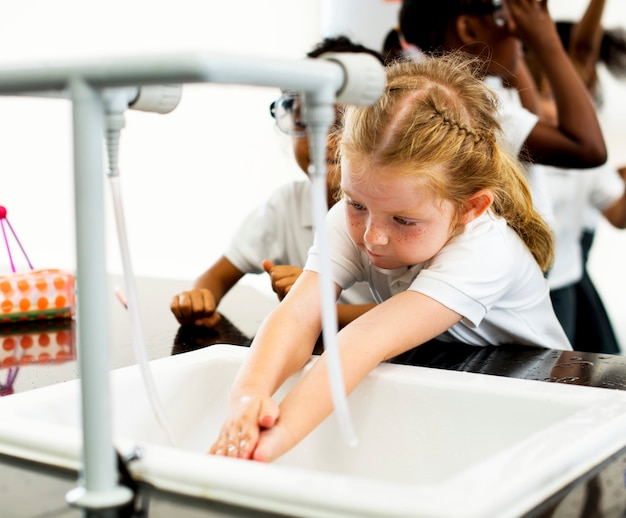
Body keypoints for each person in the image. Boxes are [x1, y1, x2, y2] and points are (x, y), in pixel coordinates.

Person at [209, 55, 572, 463]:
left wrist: (268, 444)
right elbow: (299, 316)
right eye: (355, 204)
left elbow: (364, 342)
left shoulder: (486, 250)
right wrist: (248, 395)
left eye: (403, 220)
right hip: (455, 381)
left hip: (546, 406)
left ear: (470, 208)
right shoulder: (361, 216)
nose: (372, 236)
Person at [170, 37, 381, 330]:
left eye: (343, 123)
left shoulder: (396, 214)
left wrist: (311, 303)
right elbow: (215, 277)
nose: (323, 138)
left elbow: (411, 315)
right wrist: (199, 298)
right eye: (306, 119)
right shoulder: (286, 206)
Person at [522, 0, 626, 352]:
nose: (557, 108)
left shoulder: (588, 161)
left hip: (562, 287)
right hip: (516, 293)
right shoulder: (516, 143)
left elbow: (618, 214)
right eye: (546, 95)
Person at [394, 0, 607, 170]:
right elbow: (588, 148)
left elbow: (533, 116)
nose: (517, 28)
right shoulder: (470, 111)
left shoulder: (450, 91)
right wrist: (546, 40)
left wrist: (509, 20)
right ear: (468, 30)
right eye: (507, 15)